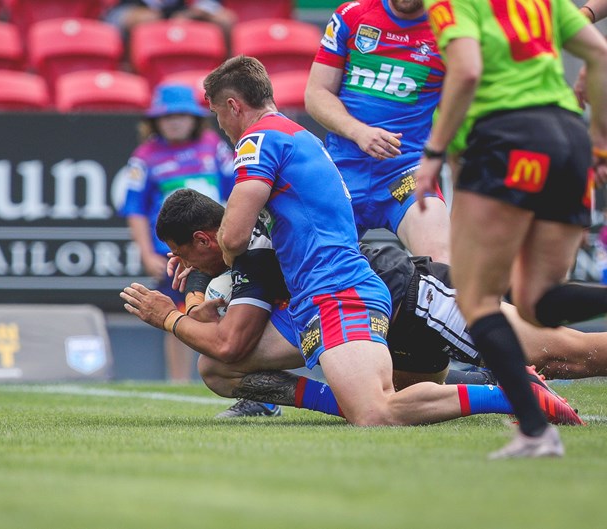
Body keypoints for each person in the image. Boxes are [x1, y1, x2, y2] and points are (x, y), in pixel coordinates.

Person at [148, 56, 580, 432]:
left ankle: (511, 393)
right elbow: (260, 239)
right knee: (220, 367)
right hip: (316, 295)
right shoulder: (296, 137)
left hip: (338, 290)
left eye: (217, 115)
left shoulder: (258, 140)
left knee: (376, 412)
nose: (220, 126)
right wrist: (209, 261)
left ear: (232, 105)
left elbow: (236, 235)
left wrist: (177, 306)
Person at [120, 189, 585, 425]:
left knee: (566, 354)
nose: (176, 265)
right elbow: (216, 319)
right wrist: (197, 283)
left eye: (181, 254)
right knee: (218, 370)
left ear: (205, 238)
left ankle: (512, 390)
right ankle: (496, 384)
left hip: (402, 293)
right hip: (352, 315)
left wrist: (168, 315)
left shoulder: (250, 248)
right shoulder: (236, 243)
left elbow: (231, 338)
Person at [413, 0, 607, 458]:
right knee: (538, 301)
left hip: (506, 139)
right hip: (568, 140)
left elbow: (466, 72)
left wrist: (435, 152)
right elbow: (598, 54)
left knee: (477, 299)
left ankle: (537, 433)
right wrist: (598, 140)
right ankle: (536, 433)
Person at [304, 0, 451, 263]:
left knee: (442, 263)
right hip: (342, 169)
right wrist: (359, 132)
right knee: (299, 257)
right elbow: (316, 94)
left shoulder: (449, 28)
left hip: (405, 172)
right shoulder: (352, 15)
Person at [119, 83, 235, 382]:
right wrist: (146, 252)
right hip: (172, 254)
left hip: (215, 250)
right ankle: (179, 380)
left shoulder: (213, 146)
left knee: (222, 307)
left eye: (181, 116)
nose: (174, 122)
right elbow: (134, 210)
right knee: (175, 312)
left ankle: (225, 371)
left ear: (195, 118)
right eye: (167, 116)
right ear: (155, 121)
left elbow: (237, 192)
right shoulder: (145, 156)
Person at [103, 0, 237, 35]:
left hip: (180, 13)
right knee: (147, 19)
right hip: (128, 10)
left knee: (223, 19)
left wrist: (190, 14)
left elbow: (209, 7)